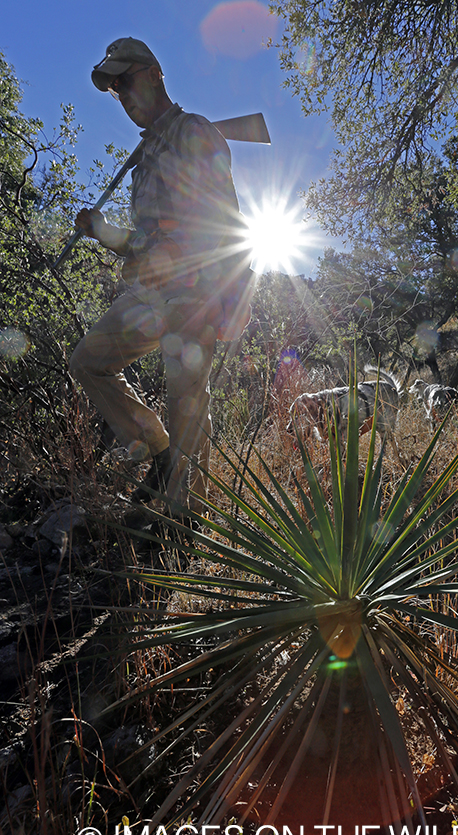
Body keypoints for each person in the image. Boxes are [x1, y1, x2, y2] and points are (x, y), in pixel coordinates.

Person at [70, 38, 253, 515]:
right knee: (88, 360)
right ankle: (156, 444)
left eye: (125, 80)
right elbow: (147, 240)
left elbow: (222, 220)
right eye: (114, 89)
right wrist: (104, 232)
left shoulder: (193, 132)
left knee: (186, 400)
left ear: (154, 74)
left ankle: (184, 518)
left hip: (194, 291)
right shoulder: (145, 154)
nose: (122, 94)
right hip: (149, 291)